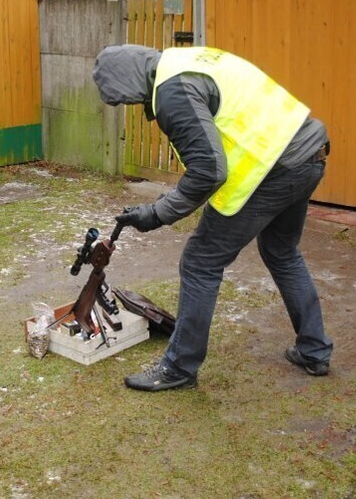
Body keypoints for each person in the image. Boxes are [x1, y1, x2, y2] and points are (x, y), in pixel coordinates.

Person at [92, 45, 334, 392]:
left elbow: (209, 171)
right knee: (282, 252)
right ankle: (314, 349)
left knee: (200, 262)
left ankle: (179, 367)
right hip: (310, 152)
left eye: (125, 99)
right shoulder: (187, 59)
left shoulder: (171, 90)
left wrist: (157, 213)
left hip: (274, 170)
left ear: (128, 83)